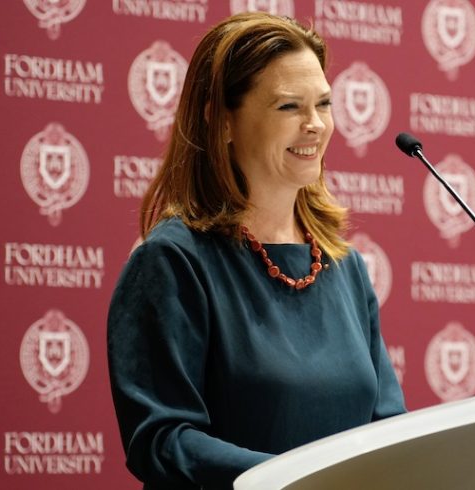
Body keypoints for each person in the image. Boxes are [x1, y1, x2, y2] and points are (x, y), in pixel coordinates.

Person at [107, 12, 406, 488]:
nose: (315, 126)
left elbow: (388, 424)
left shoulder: (343, 264)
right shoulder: (174, 262)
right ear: (221, 122)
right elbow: (163, 440)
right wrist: (298, 479)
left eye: (324, 104)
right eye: (289, 107)